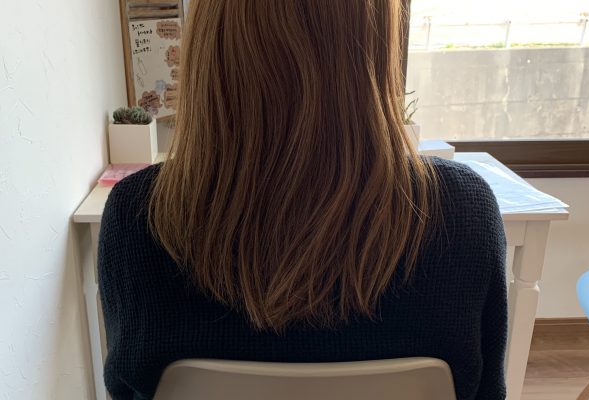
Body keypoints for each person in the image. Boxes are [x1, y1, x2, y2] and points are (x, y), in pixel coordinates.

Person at [98, 0, 507, 399]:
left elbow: (127, 389)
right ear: (379, 47)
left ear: (209, 46)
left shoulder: (137, 216)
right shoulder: (463, 214)